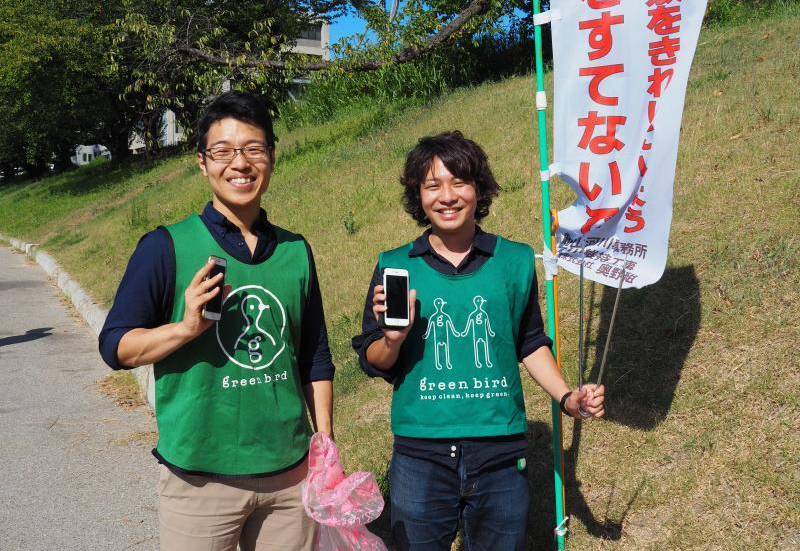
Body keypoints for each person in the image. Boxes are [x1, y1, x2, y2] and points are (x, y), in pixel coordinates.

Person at [99, 91, 333, 550]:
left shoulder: (295, 251)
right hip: (200, 481)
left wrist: (325, 441)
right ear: (202, 163)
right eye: (223, 151)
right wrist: (185, 328)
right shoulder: (165, 247)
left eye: (253, 149)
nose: (240, 164)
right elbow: (116, 347)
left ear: (271, 157)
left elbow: (315, 357)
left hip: (290, 476)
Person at [352, 131, 605, 550]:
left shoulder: (515, 260)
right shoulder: (395, 265)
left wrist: (566, 398)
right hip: (421, 455)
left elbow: (529, 341)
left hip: (499, 453)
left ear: (478, 189)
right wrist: (393, 339)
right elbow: (373, 359)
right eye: (433, 185)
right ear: (419, 194)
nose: (447, 196)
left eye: (459, 183)